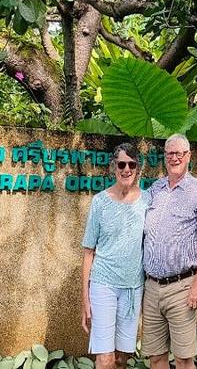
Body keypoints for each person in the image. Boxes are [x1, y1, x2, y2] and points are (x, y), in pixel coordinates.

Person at [142, 134, 197, 369]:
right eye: (170, 154)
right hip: (152, 288)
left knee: (184, 359)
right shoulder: (155, 189)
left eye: (179, 154)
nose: (174, 158)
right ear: (165, 157)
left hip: (183, 288)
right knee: (156, 357)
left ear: (188, 156)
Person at [81, 143, 150, 369]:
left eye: (132, 164)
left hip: (132, 288)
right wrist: (85, 298)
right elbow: (88, 252)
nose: (126, 169)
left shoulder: (147, 201)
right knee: (106, 358)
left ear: (138, 168)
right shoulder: (100, 202)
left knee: (121, 358)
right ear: (114, 167)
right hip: (103, 286)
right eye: (122, 164)